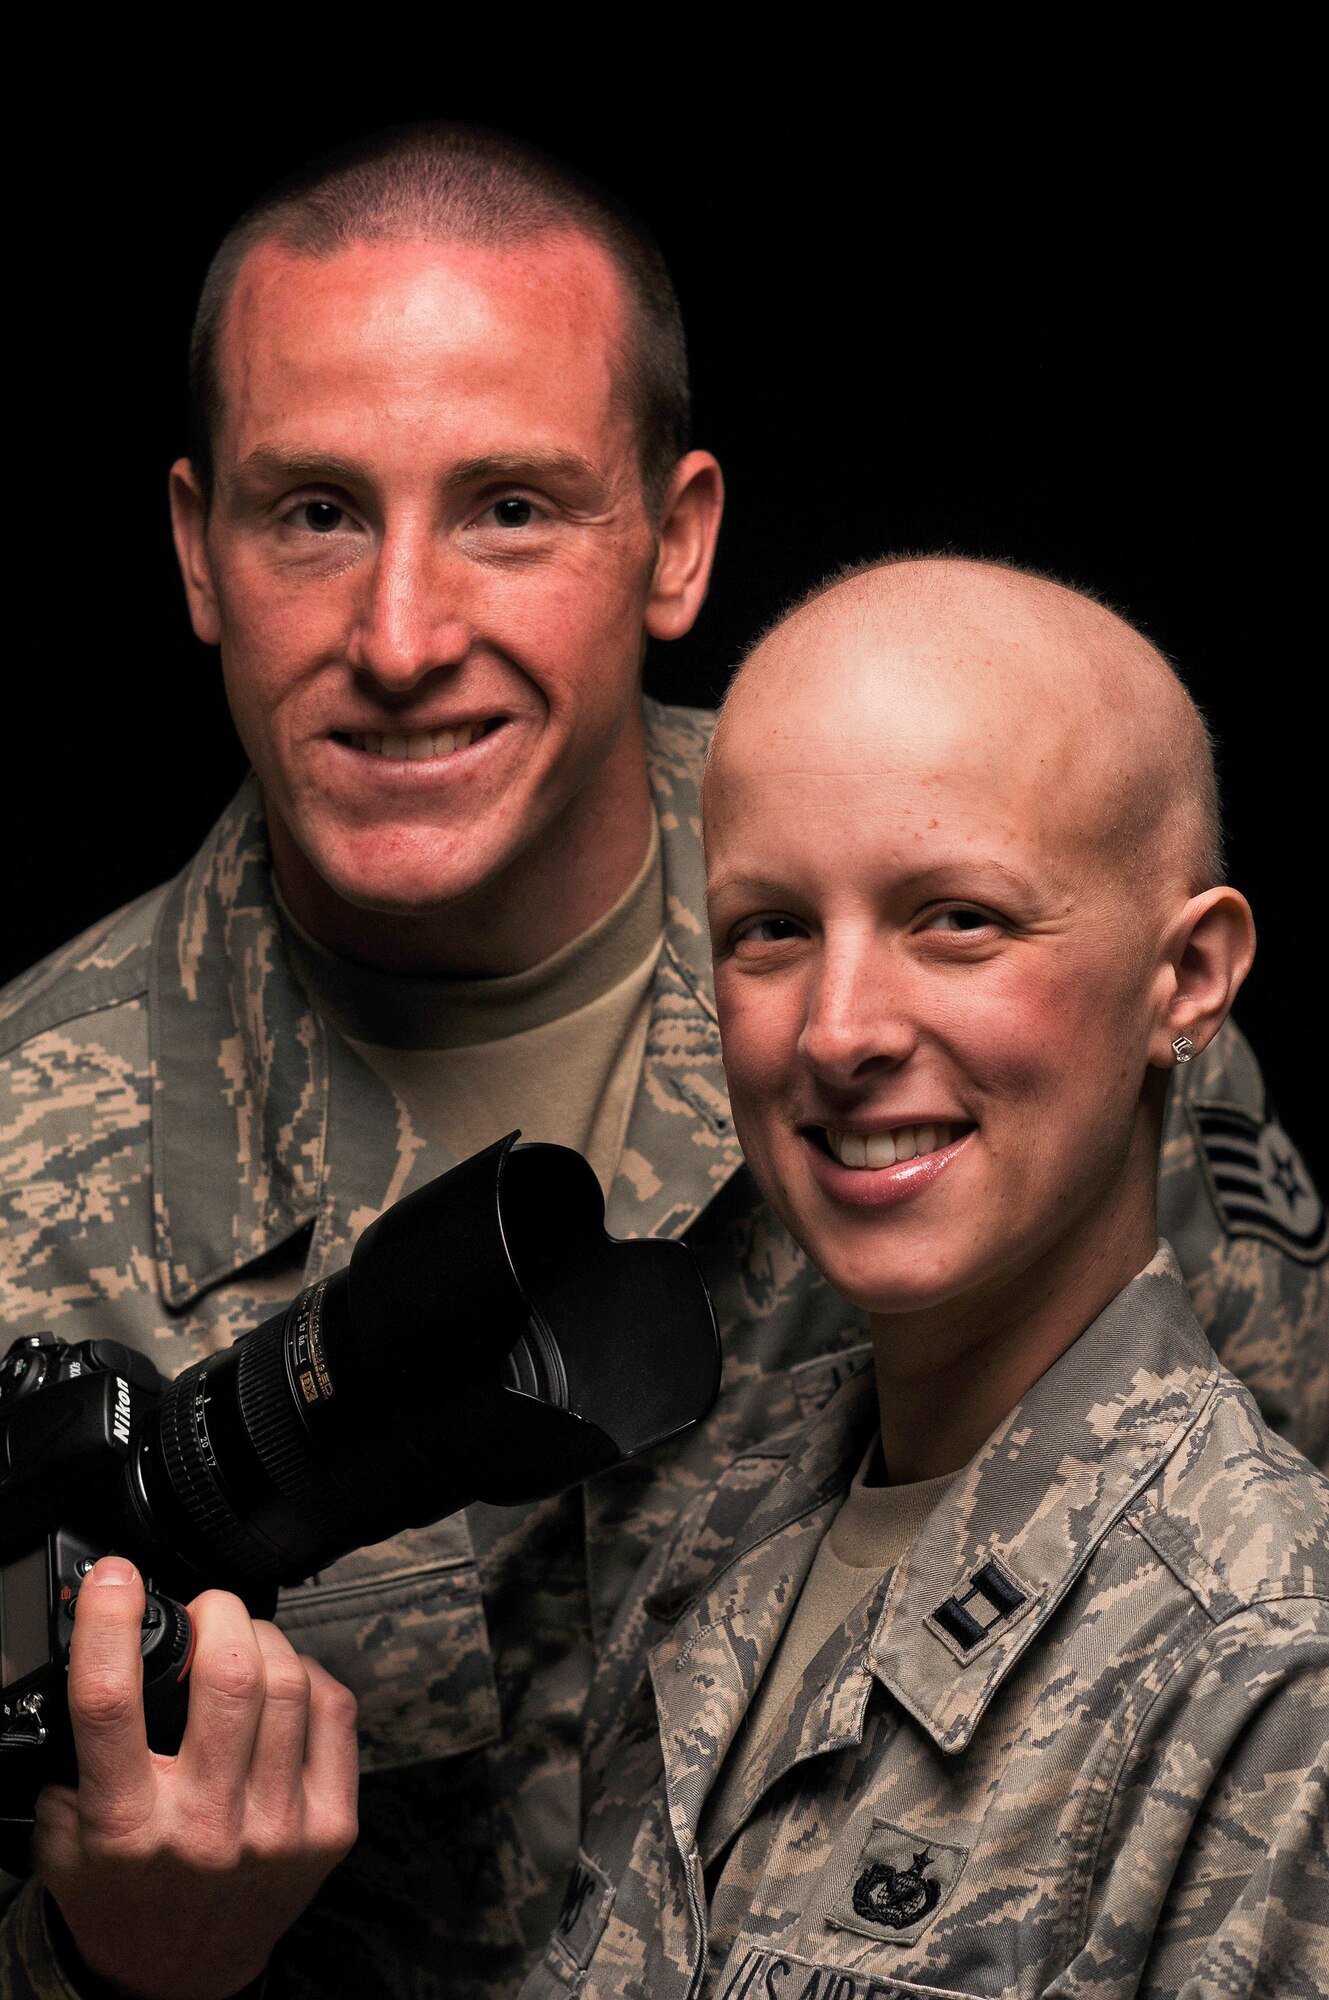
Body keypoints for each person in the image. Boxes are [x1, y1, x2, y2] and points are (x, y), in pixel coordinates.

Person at [0, 119, 1323, 1996]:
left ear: (677, 540)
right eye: (313, 512)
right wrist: (105, 1963)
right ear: (198, 552)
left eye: (509, 507)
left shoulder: (1028, 956)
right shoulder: (21, 1165)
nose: (400, 634)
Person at [515, 556, 1329, 1997]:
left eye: (955, 918)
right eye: (770, 930)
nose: (835, 1031)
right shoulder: (708, 1551)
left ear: (1187, 976)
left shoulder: (1266, 1676)